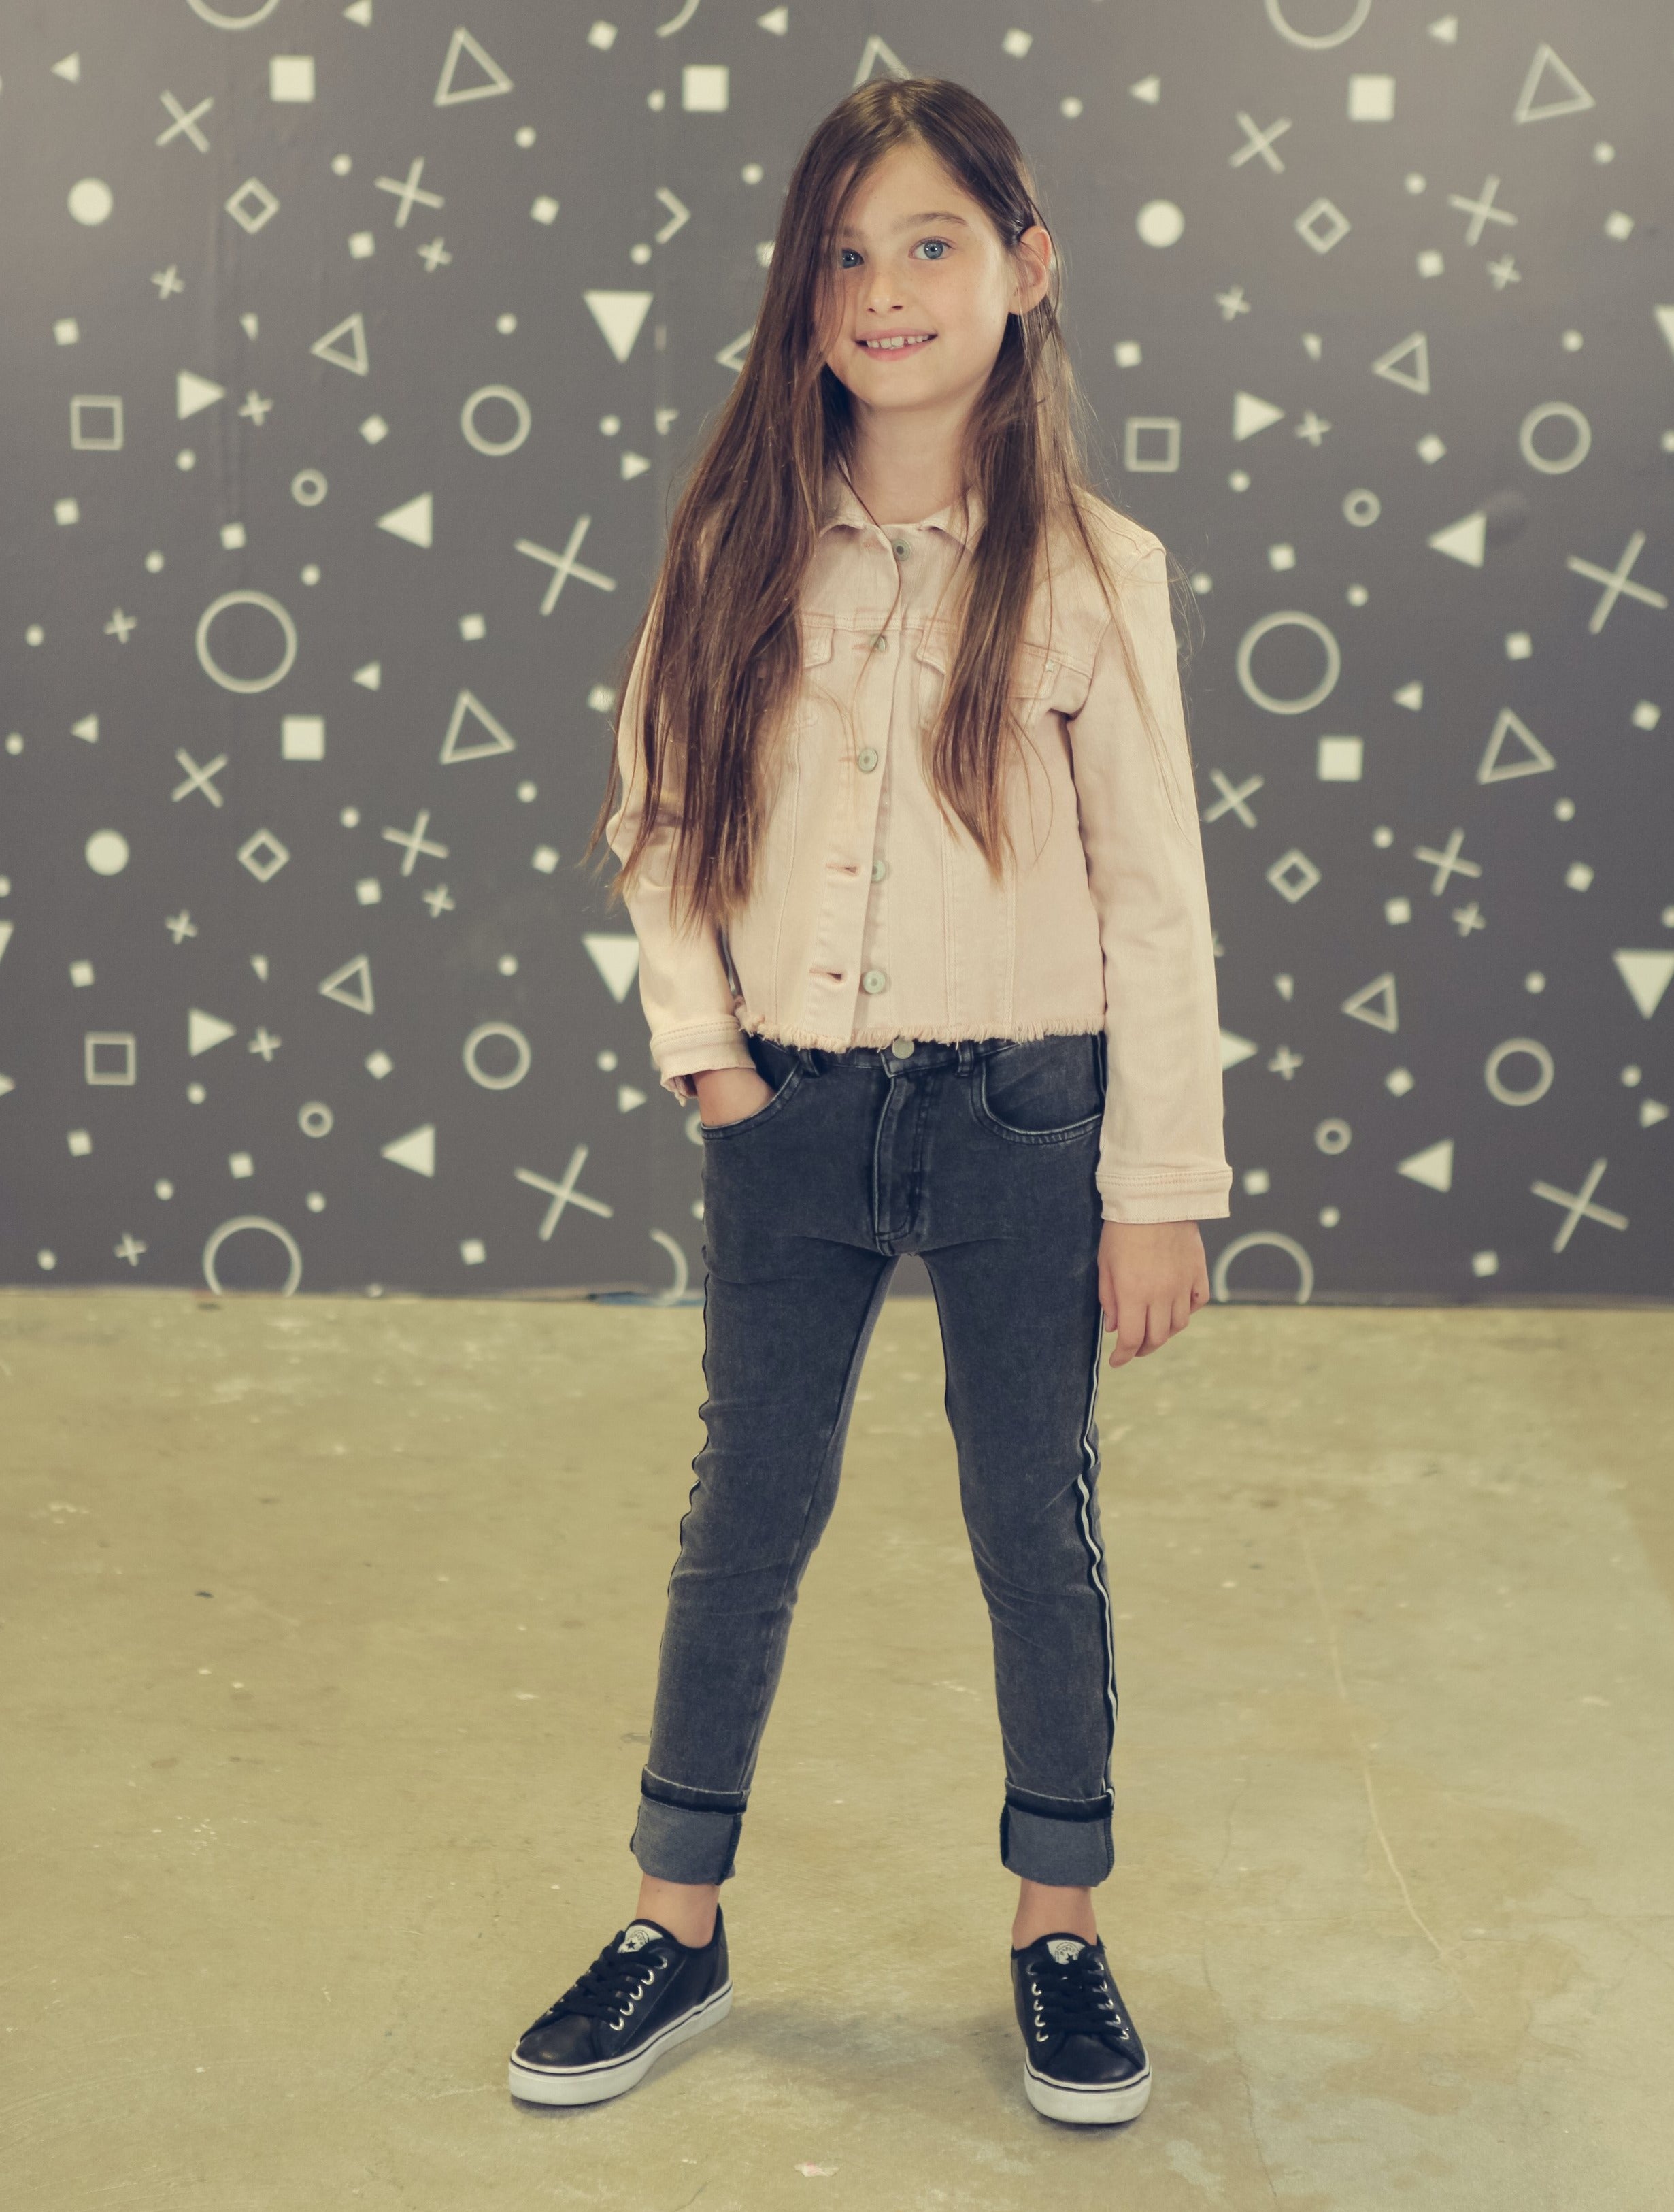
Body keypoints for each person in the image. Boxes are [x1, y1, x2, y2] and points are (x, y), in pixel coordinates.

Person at [507, 75, 1231, 2128]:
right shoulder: (736, 540)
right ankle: (674, 1920)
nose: (887, 289)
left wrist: (1159, 1184)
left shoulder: (1096, 570)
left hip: (1027, 1122)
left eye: (932, 244)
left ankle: (1060, 1928)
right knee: (745, 1509)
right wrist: (708, 1051)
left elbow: (1156, 898)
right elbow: (656, 809)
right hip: (793, 1118)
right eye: (845, 252)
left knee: (1032, 1516)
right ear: (800, 289)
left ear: (1027, 267)